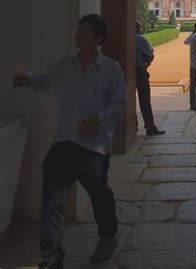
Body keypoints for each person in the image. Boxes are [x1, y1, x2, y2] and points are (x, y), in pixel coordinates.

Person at [12, 14, 127, 269]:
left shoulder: (110, 69)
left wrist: (98, 119)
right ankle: (52, 257)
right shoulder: (64, 65)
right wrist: (28, 78)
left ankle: (107, 234)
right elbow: (44, 81)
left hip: (94, 147)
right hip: (64, 142)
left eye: (84, 31)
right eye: (78, 30)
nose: (78, 35)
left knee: (99, 194)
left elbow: (120, 104)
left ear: (97, 39)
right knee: (52, 201)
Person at [135, 21, 165, 136]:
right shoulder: (140, 39)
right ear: (138, 28)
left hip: (124, 70)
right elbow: (150, 54)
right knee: (145, 100)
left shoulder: (125, 37)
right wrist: (147, 64)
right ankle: (150, 127)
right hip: (140, 71)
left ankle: (133, 126)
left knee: (127, 101)